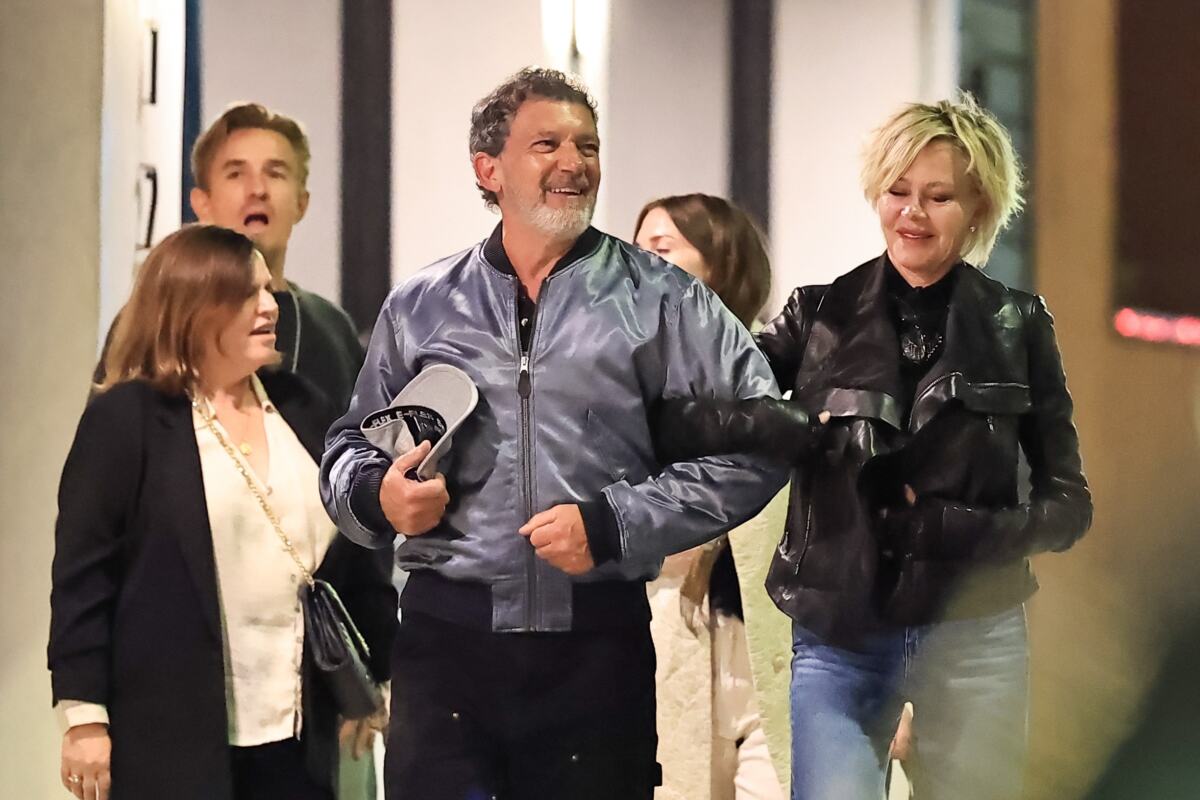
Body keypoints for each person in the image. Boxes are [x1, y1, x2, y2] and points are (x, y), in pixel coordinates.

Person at [319, 67, 787, 800]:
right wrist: (380, 496)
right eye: (547, 145)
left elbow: (765, 443)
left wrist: (615, 522)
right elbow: (349, 447)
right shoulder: (421, 305)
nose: (574, 163)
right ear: (489, 169)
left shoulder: (665, 299)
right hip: (445, 651)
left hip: (597, 651)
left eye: (587, 146)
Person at [654, 95, 1092, 799]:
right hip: (839, 632)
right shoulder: (816, 314)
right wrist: (790, 429)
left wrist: (954, 528)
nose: (912, 213)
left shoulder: (1021, 325)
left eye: (938, 196)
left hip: (974, 632)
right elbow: (700, 415)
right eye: (897, 191)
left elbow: (1068, 506)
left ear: (978, 207)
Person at [48, 225, 396, 800]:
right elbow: (83, 577)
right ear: (192, 308)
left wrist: (375, 673)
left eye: (267, 290)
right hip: (171, 734)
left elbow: (355, 550)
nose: (269, 306)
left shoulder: (301, 405)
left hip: (298, 730)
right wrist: (84, 718)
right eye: (245, 294)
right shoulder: (129, 419)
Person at [634, 194, 787, 800]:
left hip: (771, 643)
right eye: (635, 250)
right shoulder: (624, 384)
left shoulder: (780, 377)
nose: (638, 265)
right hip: (671, 638)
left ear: (720, 262)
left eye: (661, 249)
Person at [97, 103, 364, 413]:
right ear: (202, 204)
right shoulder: (160, 318)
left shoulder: (333, 329)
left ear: (301, 204)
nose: (257, 190)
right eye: (236, 174)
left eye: (275, 173)